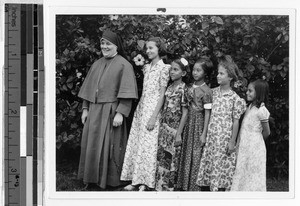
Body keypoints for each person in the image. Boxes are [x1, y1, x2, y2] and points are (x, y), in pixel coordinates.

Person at [77, 30, 138, 190]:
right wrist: (85, 109)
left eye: (108, 43)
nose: (104, 46)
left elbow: (127, 92)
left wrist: (120, 112)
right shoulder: (96, 64)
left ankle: (110, 182)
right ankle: (91, 179)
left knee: (109, 146)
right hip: (94, 111)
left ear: (116, 45)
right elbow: (88, 90)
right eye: (102, 43)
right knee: (91, 145)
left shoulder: (125, 65)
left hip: (111, 112)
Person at [121, 37, 170, 191]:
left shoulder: (165, 68)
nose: (148, 51)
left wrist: (154, 116)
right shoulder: (146, 67)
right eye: (147, 48)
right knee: (138, 143)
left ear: (159, 49)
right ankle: (135, 179)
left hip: (153, 109)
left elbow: (162, 94)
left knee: (149, 146)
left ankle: (146, 181)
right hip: (142, 108)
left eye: (151, 48)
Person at [196, 55, 246, 191]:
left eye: (221, 73)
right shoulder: (212, 93)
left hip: (224, 139)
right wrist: (204, 134)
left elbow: (236, 122)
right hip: (212, 137)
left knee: (221, 166)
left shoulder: (235, 98)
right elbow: (207, 114)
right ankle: (209, 190)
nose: (218, 76)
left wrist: (232, 141)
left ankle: (220, 192)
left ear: (230, 77)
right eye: (218, 73)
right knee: (211, 163)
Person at [177, 57, 213, 191]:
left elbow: (207, 113)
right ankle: (184, 184)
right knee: (187, 152)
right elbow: (185, 110)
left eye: (199, 70)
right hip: (189, 123)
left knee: (196, 154)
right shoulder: (188, 88)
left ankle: (194, 186)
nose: (195, 73)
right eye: (194, 70)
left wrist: (204, 133)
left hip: (199, 123)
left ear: (205, 73)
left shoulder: (207, 91)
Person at [155, 58, 189, 191]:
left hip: (174, 129)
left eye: (176, 69)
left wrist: (178, 134)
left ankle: (168, 188)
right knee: (162, 156)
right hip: (164, 128)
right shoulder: (169, 87)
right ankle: (159, 187)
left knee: (171, 158)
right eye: (171, 69)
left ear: (183, 73)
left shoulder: (184, 89)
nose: (172, 72)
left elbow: (185, 113)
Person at [231, 79, 271, 191]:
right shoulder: (249, 107)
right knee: (242, 171)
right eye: (247, 90)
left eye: (250, 91)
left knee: (253, 174)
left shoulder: (261, 110)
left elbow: (267, 132)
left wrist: (255, 143)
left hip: (255, 148)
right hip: (244, 146)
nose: (247, 93)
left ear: (259, 93)